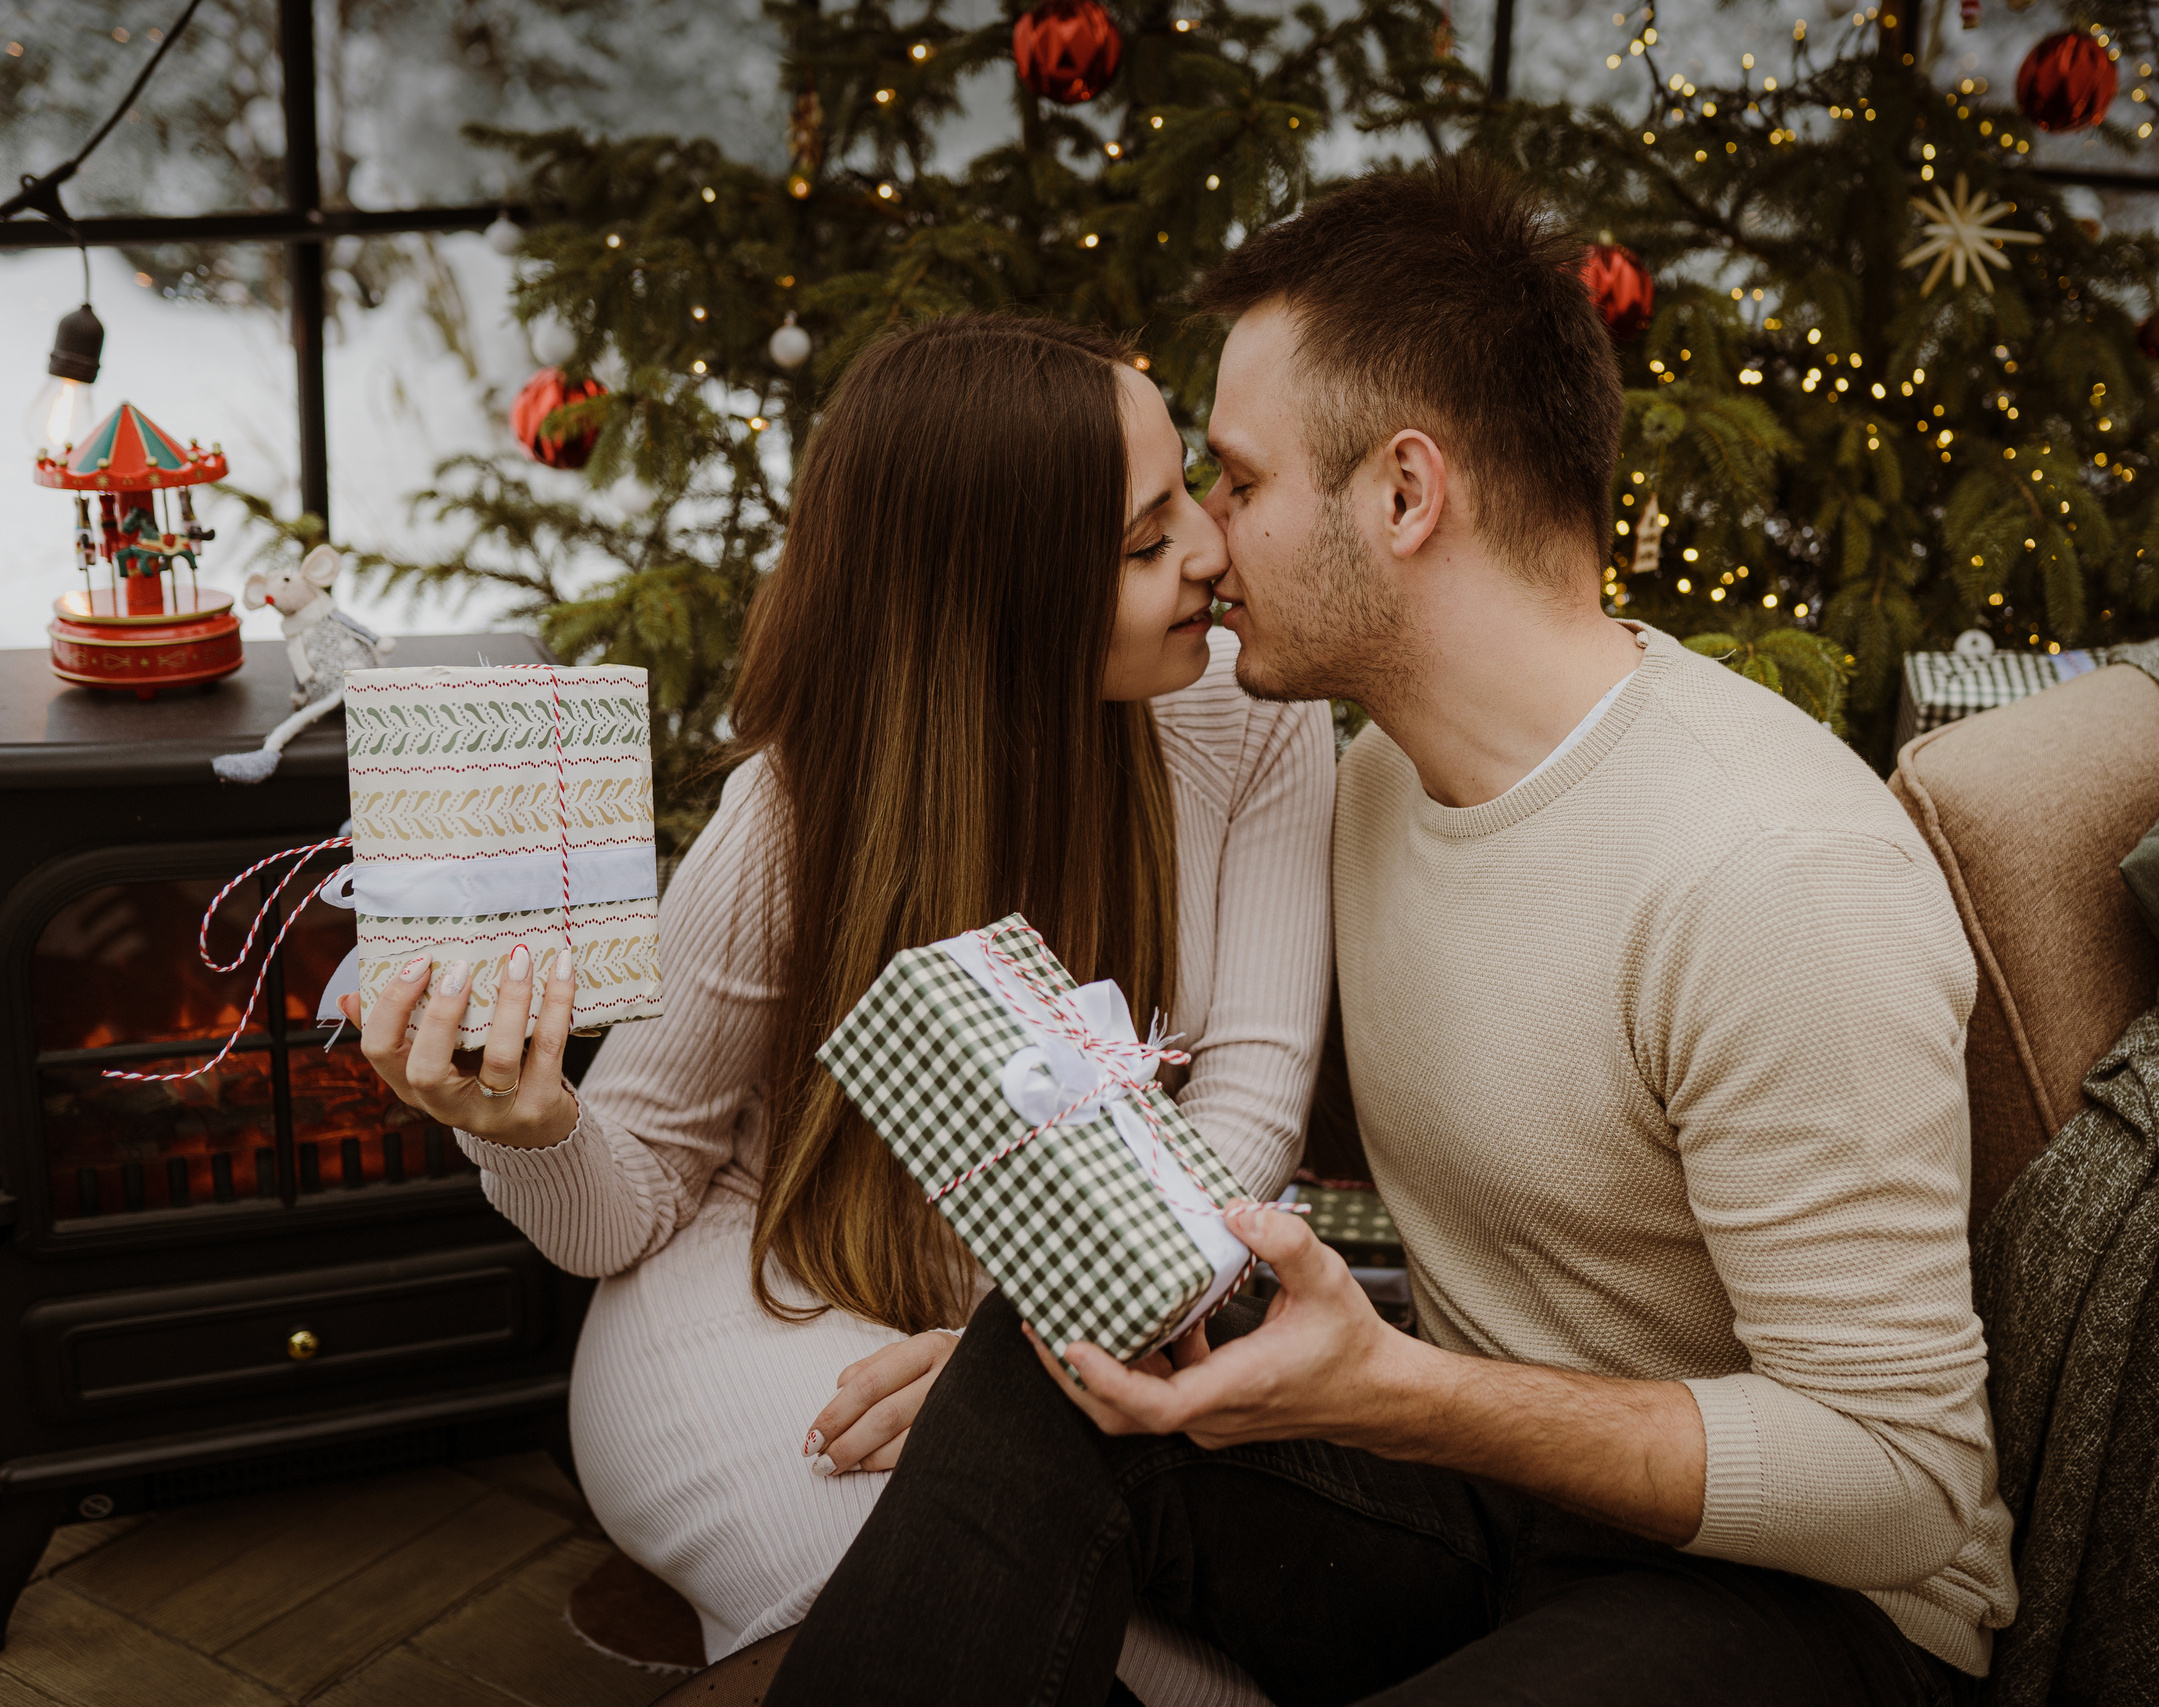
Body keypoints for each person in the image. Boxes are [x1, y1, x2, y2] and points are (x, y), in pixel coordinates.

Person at [759, 160, 2019, 1706]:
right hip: (1501, 1516)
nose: (1205, 545)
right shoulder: (1369, 788)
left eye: (1236, 480)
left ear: (1406, 495)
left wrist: (1402, 1393)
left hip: (1817, 1620)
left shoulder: (1773, 875)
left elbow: (1906, 1480)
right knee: (1044, 1367)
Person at [347, 316, 1334, 1703]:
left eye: (1185, 499)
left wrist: (1027, 1374)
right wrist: (521, 1125)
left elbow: (1249, 1106)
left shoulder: (1258, 721)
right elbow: (614, 1211)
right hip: (768, 1309)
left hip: (1075, 1330)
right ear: (997, 594)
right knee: (968, 1639)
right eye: (1141, 540)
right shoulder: (800, 809)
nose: (1212, 554)